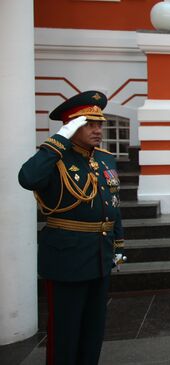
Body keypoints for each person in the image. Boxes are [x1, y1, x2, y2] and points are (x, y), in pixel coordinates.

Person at [18, 90, 125, 365]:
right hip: (67, 258)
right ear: (71, 126)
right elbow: (27, 178)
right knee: (65, 332)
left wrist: (118, 248)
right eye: (89, 124)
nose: (97, 130)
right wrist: (61, 139)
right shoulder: (55, 158)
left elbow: (112, 205)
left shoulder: (104, 159)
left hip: (100, 257)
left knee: (93, 331)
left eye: (99, 124)